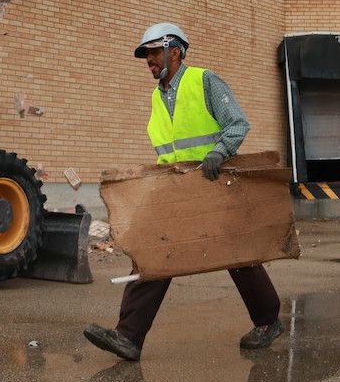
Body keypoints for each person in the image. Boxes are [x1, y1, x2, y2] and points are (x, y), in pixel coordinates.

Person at [83, 22, 284, 361]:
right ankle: (128, 336)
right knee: (156, 252)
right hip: (177, 187)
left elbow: (238, 123)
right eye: (145, 55)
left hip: (214, 182)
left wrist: (219, 153)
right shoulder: (157, 96)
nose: (148, 60)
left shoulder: (204, 81)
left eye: (152, 52)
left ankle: (268, 321)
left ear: (174, 51)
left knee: (236, 253)